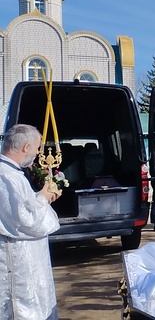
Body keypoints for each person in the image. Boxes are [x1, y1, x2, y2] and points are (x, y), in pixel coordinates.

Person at [0, 124, 61, 319]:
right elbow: (23, 220)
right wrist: (43, 197)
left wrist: (42, 197)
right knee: (21, 309)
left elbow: (19, 207)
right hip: (16, 259)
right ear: (25, 147)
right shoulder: (6, 176)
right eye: (37, 148)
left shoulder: (12, 173)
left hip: (27, 256)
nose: (37, 154)